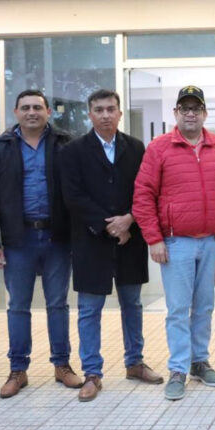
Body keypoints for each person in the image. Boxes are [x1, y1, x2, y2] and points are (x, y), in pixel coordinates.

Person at [61, 89, 163, 402]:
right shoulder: (73, 151)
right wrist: (111, 226)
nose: (106, 115)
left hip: (130, 241)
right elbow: (73, 196)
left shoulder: (136, 148)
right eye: (99, 110)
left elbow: (146, 189)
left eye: (111, 109)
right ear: (89, 114)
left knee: (132, 304)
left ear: (120, 113)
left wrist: (130, 220)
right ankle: (92, 372)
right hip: (91, 241)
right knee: (89, 309)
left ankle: (135, 362)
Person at [133, 85, 215, 401]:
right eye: (184, 108)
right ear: (176, 113)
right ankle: (178, 368)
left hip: (212, 242)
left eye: (196, 108)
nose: (190, 113)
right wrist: (153, 238)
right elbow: (143, 195)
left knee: (204, 305)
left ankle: (199, 362)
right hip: (176, 243)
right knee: (178, 309)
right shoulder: (159, 148)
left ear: (204, 113)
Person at [0, 89, 82, 399]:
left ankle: (62, 365)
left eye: (37, 107)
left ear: (48, 112)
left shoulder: (64, 143)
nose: (31, 112)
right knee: (18, 307)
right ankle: (17, 369)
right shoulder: (0, 148)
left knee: (58, 304)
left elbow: (76, 192)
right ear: (16, 113)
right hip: (17, 239)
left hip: (56, 237)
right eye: (25, 107)